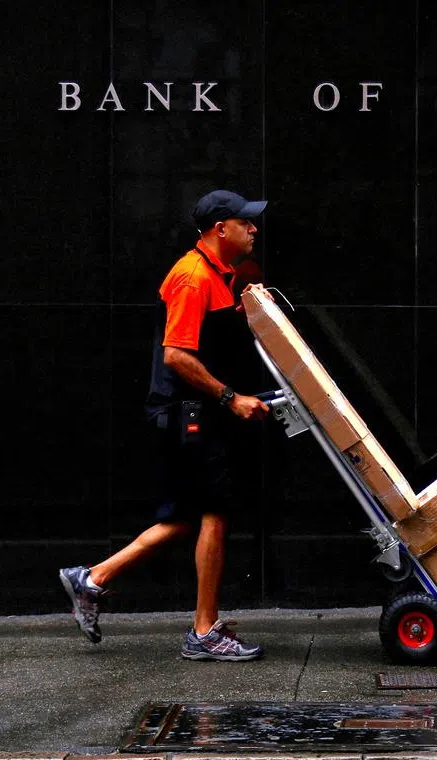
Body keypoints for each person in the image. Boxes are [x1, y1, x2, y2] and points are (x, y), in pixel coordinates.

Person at [59, 189, 271, 661]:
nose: (254, 229)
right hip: (187, 414)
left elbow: (204, 339)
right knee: (214, 511)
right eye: (246, 222)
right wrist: (231, 398)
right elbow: (176, 354)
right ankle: (203, 631)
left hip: (193, 413)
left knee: (183, 517)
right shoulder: (193, 277)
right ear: (221, 229)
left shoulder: (221, 274)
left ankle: (92, 580)